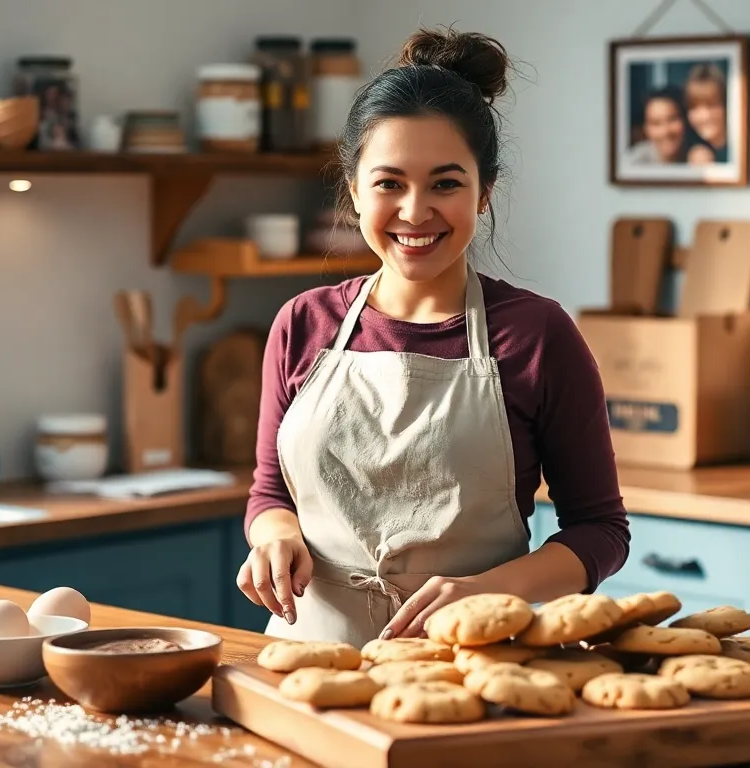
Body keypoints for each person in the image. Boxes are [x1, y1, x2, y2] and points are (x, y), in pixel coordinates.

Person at [238, 28, 631, 646]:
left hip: (475, 660)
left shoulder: (536, 334)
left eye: (445, 183)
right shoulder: (301, 323)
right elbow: (268, 494)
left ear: (484, 195)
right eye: (389, 183)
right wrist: (276, 536)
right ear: (353, 191)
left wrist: (492, 589)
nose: (415, 211)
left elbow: (600, 531)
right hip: (308, 662)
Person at [624, 86, 701, 165]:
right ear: (646, 129)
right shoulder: (633, 163)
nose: (666, 131)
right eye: (656, 123)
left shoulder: (701, 156)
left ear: (685, 121)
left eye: (672, 119)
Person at [683, 63, 728, 164]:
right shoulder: (690, 149)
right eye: (693, 107)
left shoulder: (741, 150)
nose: (704, 116)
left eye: (712, 105)